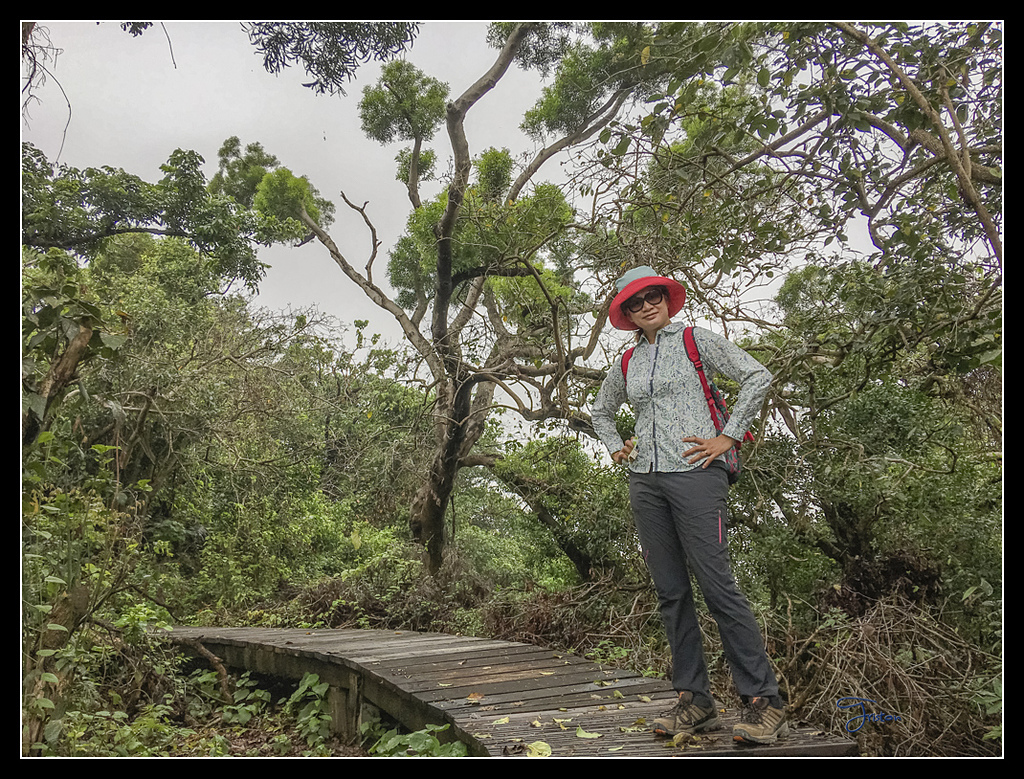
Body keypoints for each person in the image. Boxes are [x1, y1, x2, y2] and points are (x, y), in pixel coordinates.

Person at [591, 265, 787, 745]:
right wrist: (616, 443)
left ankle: (765, 702)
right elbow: (601, 409)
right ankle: (695, 701)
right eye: (634, 303)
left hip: (697, 476)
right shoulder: (627, 363)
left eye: (652, 296)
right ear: (627, 314)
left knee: (718, 585)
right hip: (646, 482)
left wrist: (728, 435)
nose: (645, 306)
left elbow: (757, 375)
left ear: (667, 297)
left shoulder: (696, 340)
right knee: (671, 592)